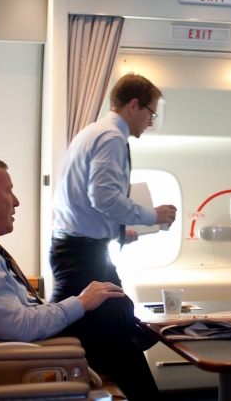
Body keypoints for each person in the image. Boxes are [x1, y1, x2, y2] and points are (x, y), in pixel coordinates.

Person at [0, 157, 161, 401]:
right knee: (115, 307)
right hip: (21, 353)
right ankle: (134, 332)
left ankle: (130, 334)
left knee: (120, 335)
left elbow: (15, 309)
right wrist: (81, 302)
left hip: (22, 341)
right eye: (8, 192)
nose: (16, 202)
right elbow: (19, 326)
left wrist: (70, 304)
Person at [50, 72, 176, 302]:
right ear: (134, 105)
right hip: (81, 253)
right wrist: (153, 215)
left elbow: (90, 200)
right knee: (116, 319)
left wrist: (115, 230)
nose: (150, 121)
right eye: (151, 113)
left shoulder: (94, 131)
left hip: (76, 248)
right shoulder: (112, 138)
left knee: (119, 315)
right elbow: (104, 198)